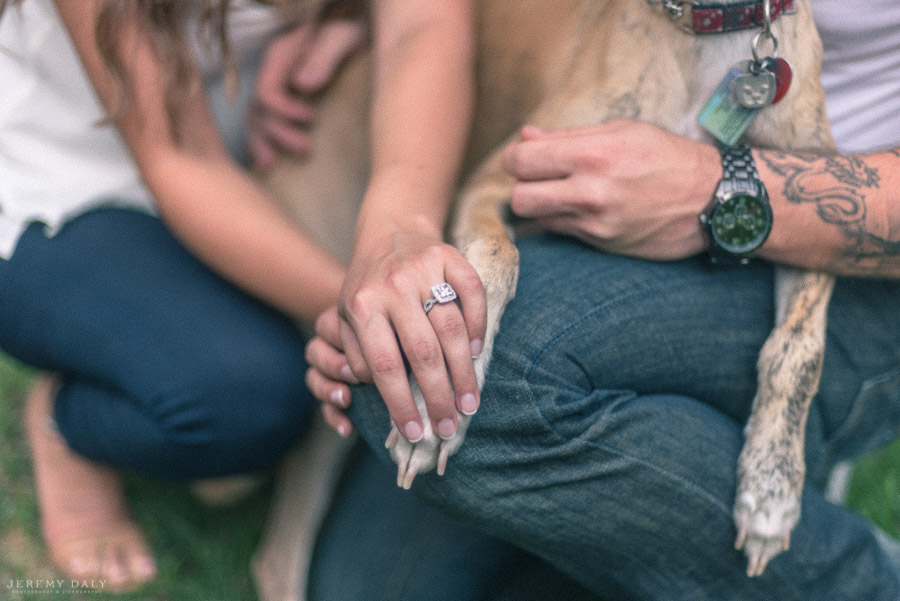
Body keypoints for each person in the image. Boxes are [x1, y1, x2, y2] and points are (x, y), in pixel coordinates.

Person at [305, 0, 900, 598]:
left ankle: (860, 578)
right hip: (637, 180)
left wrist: (723, 191)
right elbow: (496, 183)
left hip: (864, 265)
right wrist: (382, 22)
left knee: (478, 380)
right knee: (369, 584)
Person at [0, 0, 478, 592]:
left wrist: (402, 230)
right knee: (246, 399)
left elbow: (422, 21)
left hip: (217, 132)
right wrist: (364, 305)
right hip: (49, 178)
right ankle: (64, 423)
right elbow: (182, 160)